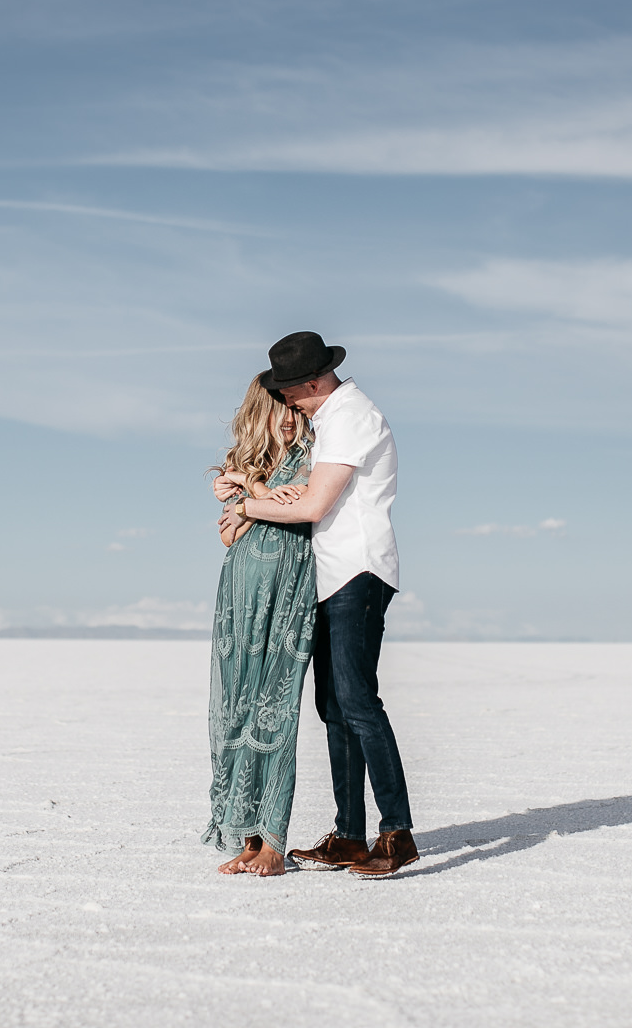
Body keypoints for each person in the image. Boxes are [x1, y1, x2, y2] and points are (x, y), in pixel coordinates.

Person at [217, 331, 417, 879]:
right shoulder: (330, 419)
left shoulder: (351, 415)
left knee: (357, 701)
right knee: (334, 708)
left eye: (289, 392)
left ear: (313, 381)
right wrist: (244, 487)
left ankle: (396, 832)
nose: (286, 403)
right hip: (331, 576)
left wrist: (247, 507)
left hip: (359, 569)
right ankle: (350, 836)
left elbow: (315, 503)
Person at [202, 376, 318, 876]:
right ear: (258, 413)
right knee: (236, 709)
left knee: (276, 708)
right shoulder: (248, 465)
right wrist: (254, 492)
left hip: (290, 589)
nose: (289, 419)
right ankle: (247, 837)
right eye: (279, 410)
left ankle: (273, 839)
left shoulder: (315, 453)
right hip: (242, 594)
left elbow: (303, 510)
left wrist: (251, 499)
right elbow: (229, 534)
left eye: (294, 409)